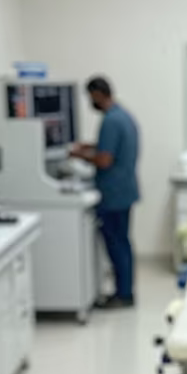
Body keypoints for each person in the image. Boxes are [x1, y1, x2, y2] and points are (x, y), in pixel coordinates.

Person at [71, 75, 140, 309]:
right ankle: (126, 290)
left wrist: (77, 154)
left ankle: (123, 295)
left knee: (116, 244)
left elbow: (104, 160)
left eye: (90, 97)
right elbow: (108, 148)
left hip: (113, 194)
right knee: (123, 242)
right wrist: (89, 146)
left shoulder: (110, 121)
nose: (90, 102)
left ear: (98, 95)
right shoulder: (123, 116)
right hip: (125, 190)